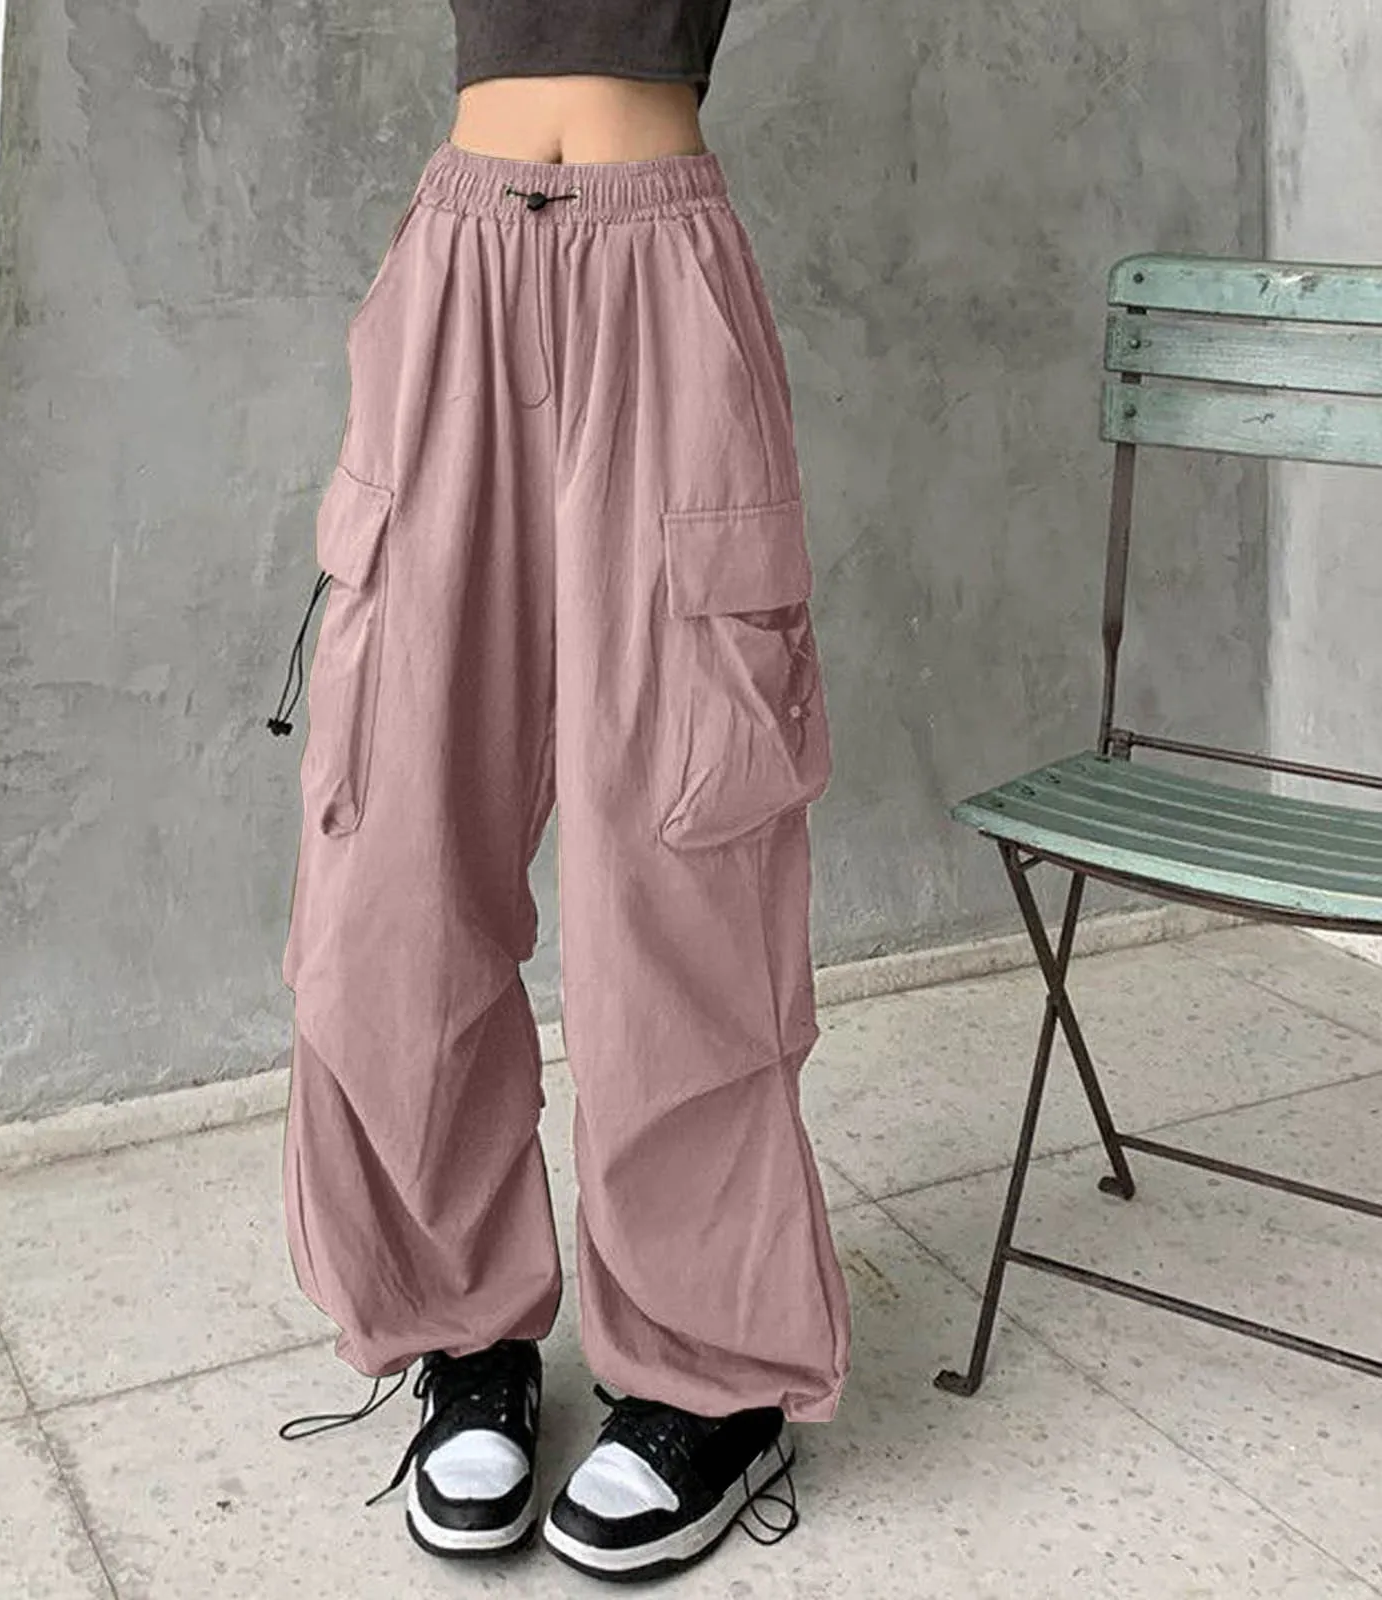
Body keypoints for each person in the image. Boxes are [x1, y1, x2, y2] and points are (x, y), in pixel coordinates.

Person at [270, 0, 851, 1581]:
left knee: (682, 850)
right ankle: (467, 1332)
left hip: (662, 272)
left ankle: (712, 1375)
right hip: (459, 266)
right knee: (394, 844)